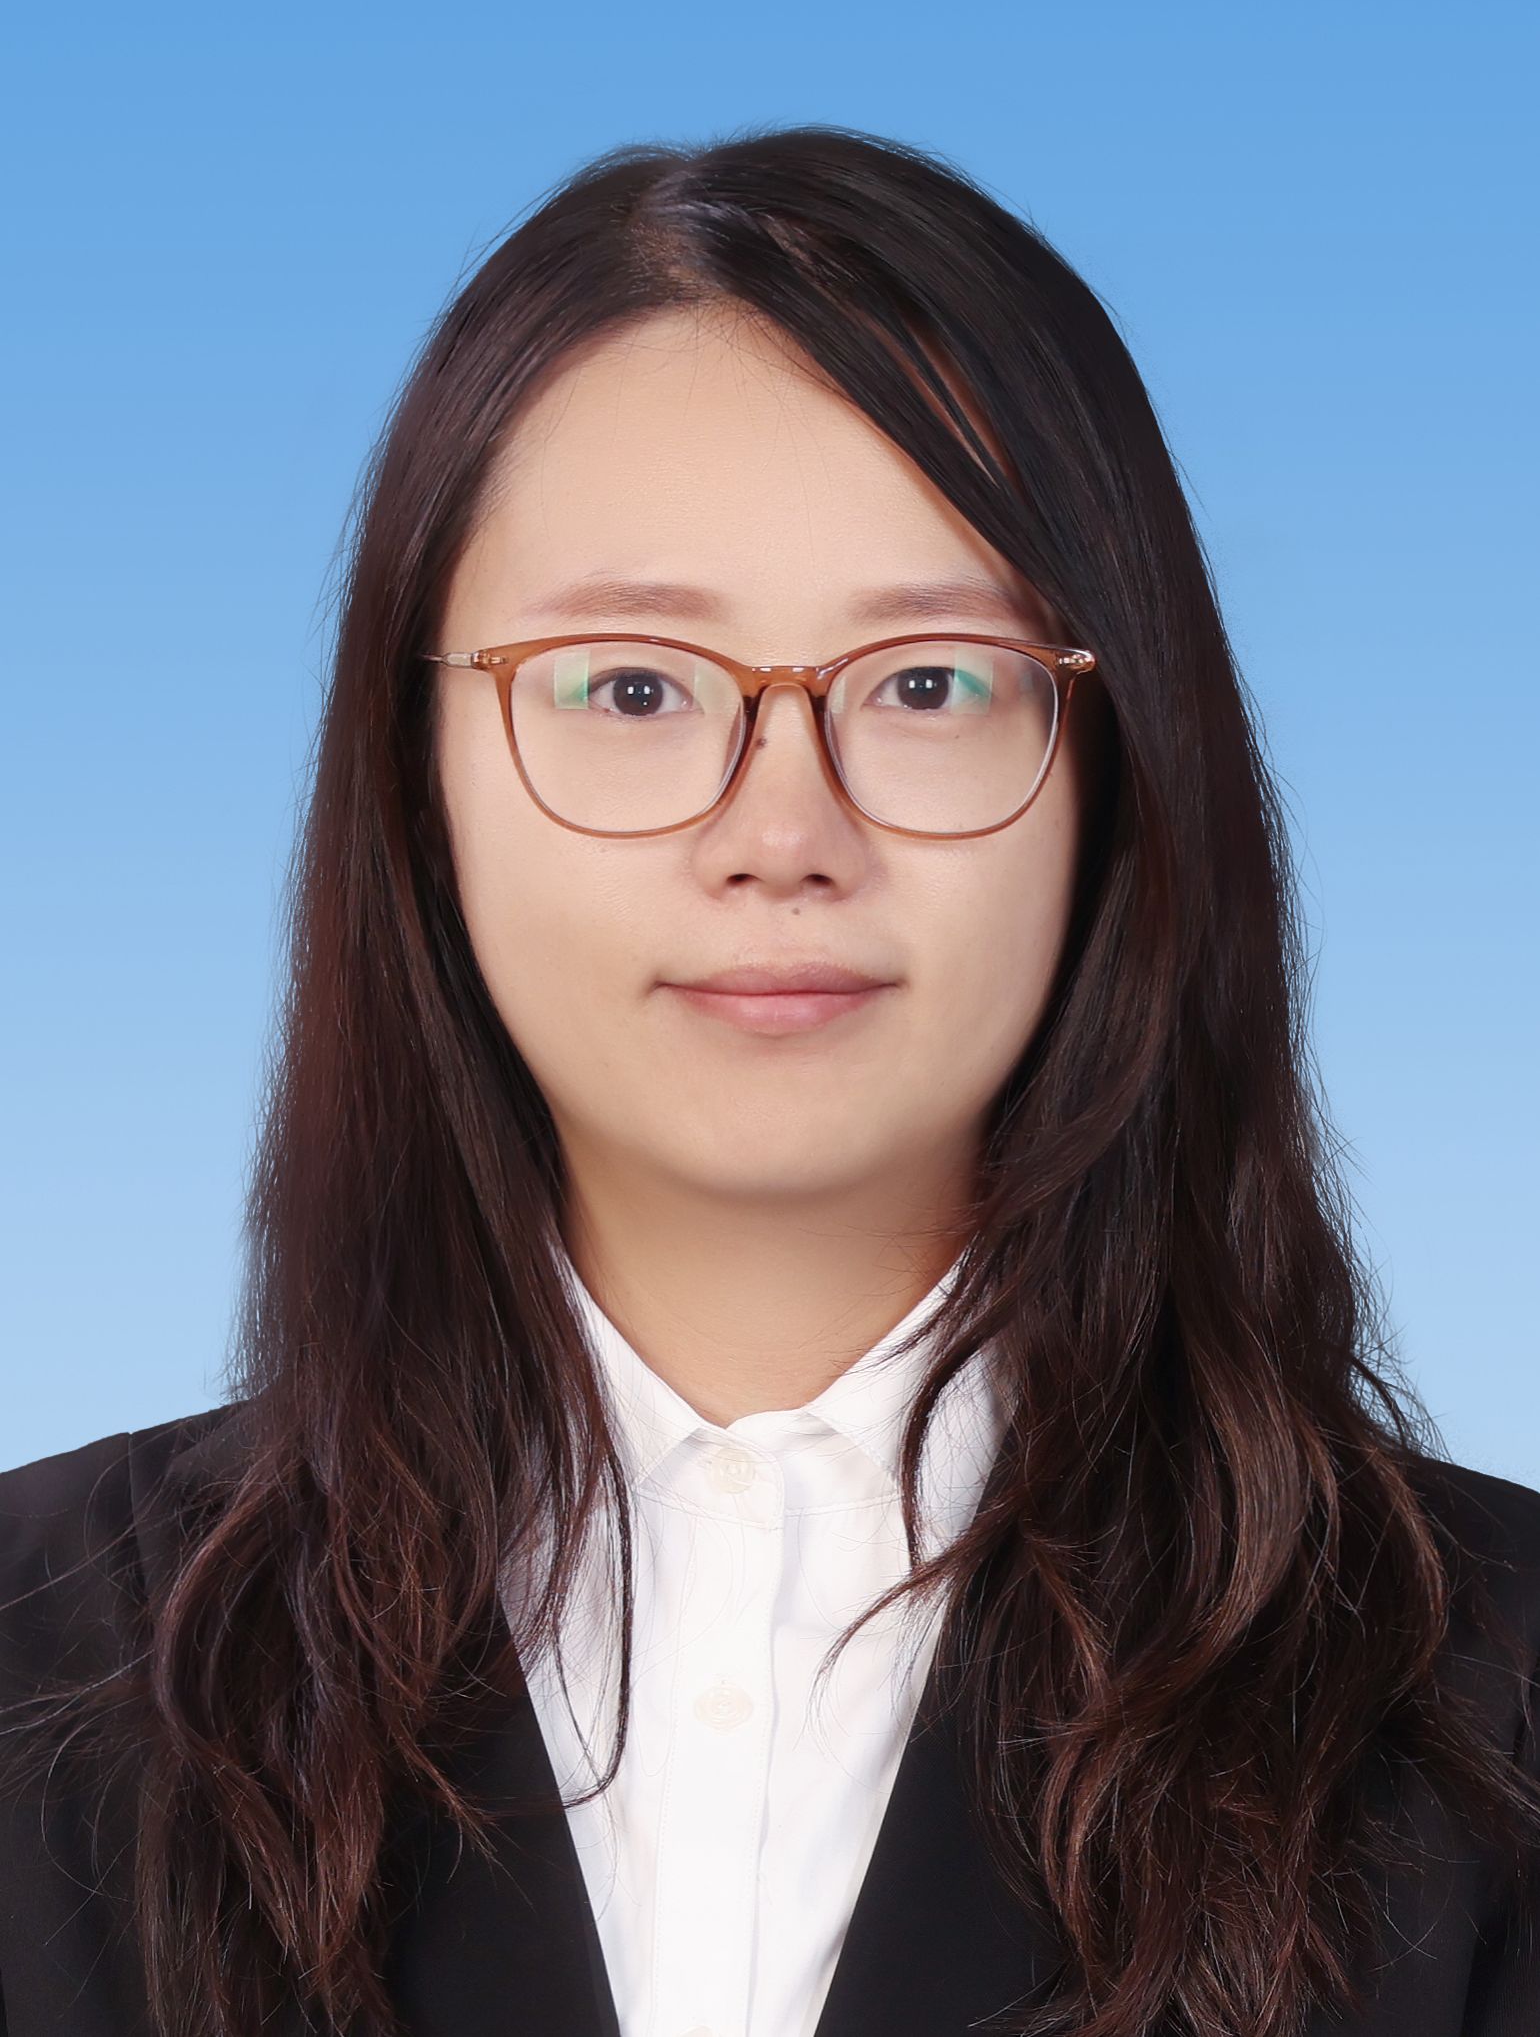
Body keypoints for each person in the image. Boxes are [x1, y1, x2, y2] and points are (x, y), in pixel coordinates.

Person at [0, 124, 1535, 2037]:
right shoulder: (35, 1668)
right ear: (416, 779)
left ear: (1120, 776)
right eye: (635, 687)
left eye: (931, 683)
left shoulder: (1494, 1710)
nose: (783, 836)